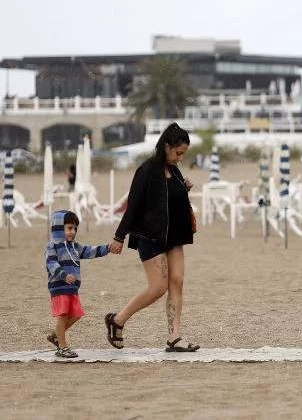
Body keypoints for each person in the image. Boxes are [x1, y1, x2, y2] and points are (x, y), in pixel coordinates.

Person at [105, 122, 200, 353]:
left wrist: (183, 188)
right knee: (158, 287)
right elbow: (133, 206)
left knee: (177, 282)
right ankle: (117, 320)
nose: (180, 158)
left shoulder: (175, 170)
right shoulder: (146, 171)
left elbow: (168, 199)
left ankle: (174, 337)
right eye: (178, 153)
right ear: (167, 146)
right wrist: (119, 236)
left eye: (183, 154)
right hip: (150, 236)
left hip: (175, 235)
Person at [45, 210, 114, 358]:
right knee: (62, 316)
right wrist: (63, 275)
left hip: (72, 288)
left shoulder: (75, 246)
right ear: (58, 228)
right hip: (59, 287)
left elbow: (90, 251)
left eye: (75, 228)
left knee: (76, 314)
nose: (73, 232)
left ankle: (56, 335)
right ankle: (62, 347)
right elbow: (51, 264)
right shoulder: (52, 246)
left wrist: (107, 248)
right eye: (69, 228)